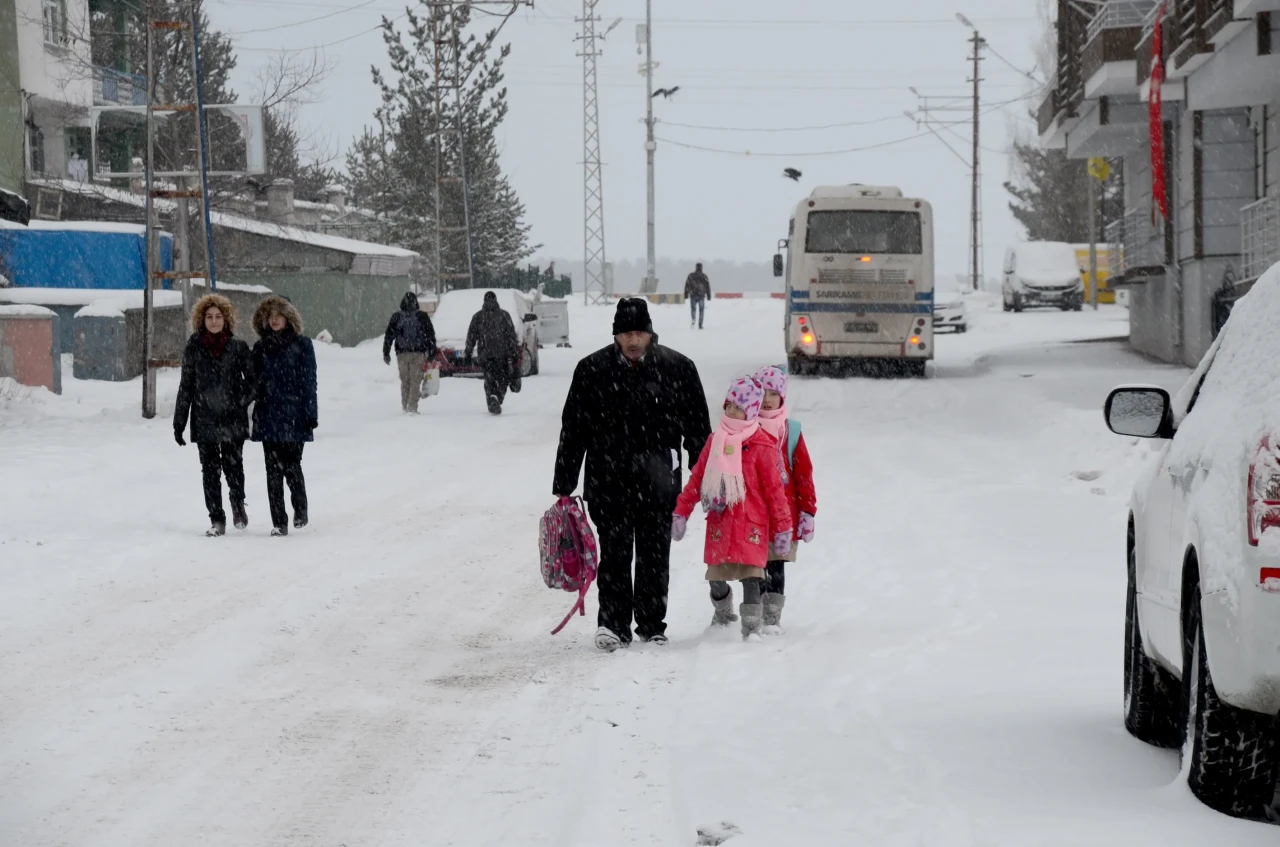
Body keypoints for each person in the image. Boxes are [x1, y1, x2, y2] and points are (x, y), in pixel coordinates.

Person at [553, 297, 711, 651]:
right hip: (608, 481)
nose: (634, 341)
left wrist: (704, 478)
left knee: (655, 555)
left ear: (650, 333)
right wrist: (564, 484)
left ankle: (652, 625)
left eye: (640, 332)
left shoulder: (678, 368)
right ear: (616, 335)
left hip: (660, 481)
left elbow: (699, 428)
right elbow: (573, 430)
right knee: (615, 552)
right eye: (627, 333)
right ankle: (612, 624)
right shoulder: (591, 370)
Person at [672, 376, 793, 640]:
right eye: (729, 406)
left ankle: (751, 629)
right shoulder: (715, 441)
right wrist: (682, 511)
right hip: (721, 521)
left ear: (750, 411)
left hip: (751, 523)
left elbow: (775, 491)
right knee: (716, 576)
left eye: (739, 408)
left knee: (751, 576)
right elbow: (697, 479)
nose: (732, 411)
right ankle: (723, 611)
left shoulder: (762, 445)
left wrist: (783, 527)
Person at [174, 294, 254, 537]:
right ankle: (217, 519)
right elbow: (186, 385)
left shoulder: (238, 347)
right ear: (202, 319)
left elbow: (253, 381)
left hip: (232, 418)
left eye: (218, 316)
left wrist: (240, 401)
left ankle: (238, 503)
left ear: (226, 319)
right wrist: (180, 422)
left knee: (233, 467)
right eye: (209, 317)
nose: (214, 321)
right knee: (209, 472)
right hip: (204, 418)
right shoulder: (193, 347)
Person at [753, 365, 817, 635]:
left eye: (773, 393)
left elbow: (803, 472)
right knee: (754, 563)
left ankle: (772, 615)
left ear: (782, 397)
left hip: (783, 512)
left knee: (776, 563)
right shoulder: (746, 427)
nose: (768, 399)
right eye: (763, 392)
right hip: (753, 510)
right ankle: (752, 611)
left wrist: (808, 511)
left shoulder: (791, 430)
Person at [250, 295, 317, 537]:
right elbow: (252, 383)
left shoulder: (302, 345)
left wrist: (311, 413)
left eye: (280, 314)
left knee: (292, 466)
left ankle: (301, 509)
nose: (275, 319)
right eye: (271, 315)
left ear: (288, 317)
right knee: (272, 471)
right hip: (268, 415)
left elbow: (309, 382)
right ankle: (279, 522)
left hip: (295, 415)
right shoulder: (259, 348)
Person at [465, 291, 520, 415]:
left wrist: (468, 352)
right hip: (503, 354)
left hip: (485, 355)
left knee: (489, 379)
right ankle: (498, 396)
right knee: (503, 378)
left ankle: (491, 400)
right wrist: (514, 353)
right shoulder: (504, 315)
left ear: (484, 301)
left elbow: (471, 337)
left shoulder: (478, 317)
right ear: (496, 300)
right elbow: (511, 336)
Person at [383, 292, 437, 414]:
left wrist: (386, 352)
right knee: (415, 381)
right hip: (418, 353)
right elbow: (430, 335)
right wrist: (432, 352)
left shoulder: (396, 316)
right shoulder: (422, 316)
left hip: (402, 354)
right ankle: (412, 407)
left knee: (405, 381)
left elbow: (389, 336)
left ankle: (405, 405)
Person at [684, 262, 711, 330]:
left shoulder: (691, 275)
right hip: (701, 295)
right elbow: (707, 287)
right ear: (701, 268)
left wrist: (686, 294)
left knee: (693, 309)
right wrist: (708, 295)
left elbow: (687, 285)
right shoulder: (704, 276)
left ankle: (693, 319)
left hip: (693, 294)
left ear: (695, 267)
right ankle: (700, 324)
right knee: (701, 310)